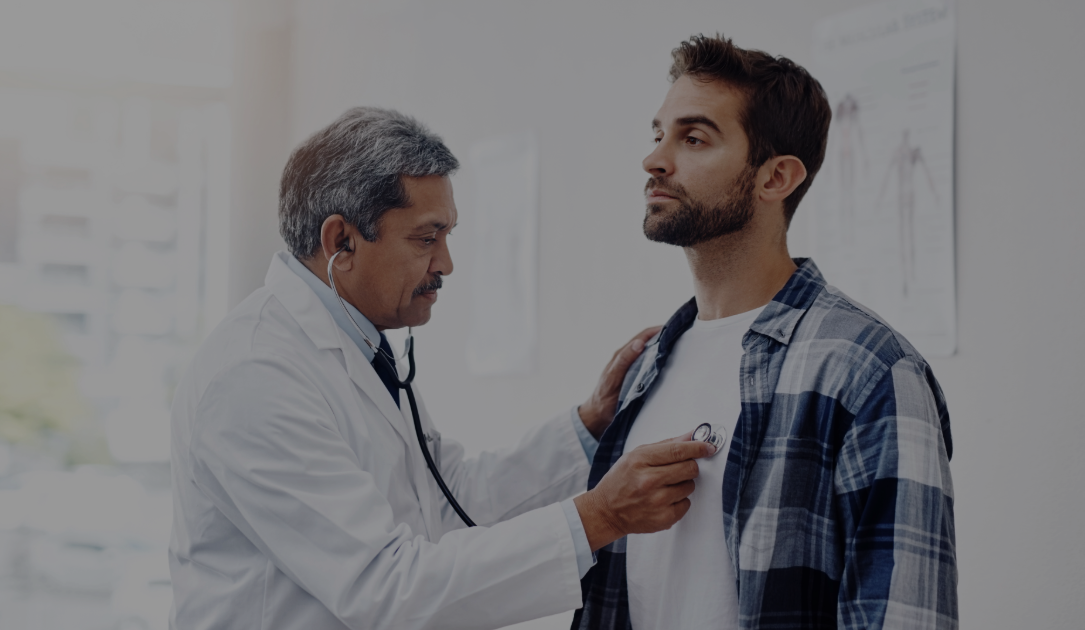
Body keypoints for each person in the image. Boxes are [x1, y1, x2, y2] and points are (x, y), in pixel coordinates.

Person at [168, 107, 714, 630]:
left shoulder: (360, 346)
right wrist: (600, 517)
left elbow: (450, 499)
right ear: (341, 241)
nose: (446, 264)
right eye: (427, 238)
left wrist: (588, 427)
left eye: (447, 236)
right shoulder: (255, 373)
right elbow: (383, 586)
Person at [572, 35, 957, 630]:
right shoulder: (646, 367)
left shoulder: (869, 370)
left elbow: (905, 615)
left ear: (775, 177)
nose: (655, 160)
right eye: (658, 135)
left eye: (693, 138)